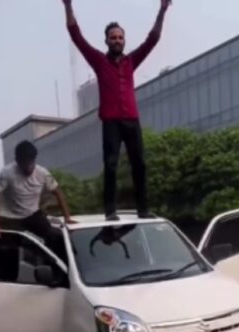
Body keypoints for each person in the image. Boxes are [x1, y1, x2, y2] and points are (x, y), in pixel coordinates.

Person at [62, 0, 171, 221]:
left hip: (132, 120)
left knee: (139, 163)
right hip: (111, 122)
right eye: (113, 37)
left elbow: (153, 40)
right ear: (107, 40)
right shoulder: (100, 61)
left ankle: (143, 208)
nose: (117, 40)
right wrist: (68, 6)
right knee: (110, 165)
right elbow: (76, 37)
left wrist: (162, 10)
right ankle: (110, 210)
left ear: (124, 40)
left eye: (120, 37)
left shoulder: (131, 61)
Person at [0, 141, 78, 253]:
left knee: (56, 237)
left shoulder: (43, 173)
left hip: (33, 215)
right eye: (24, 165)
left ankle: (64, 265)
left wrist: (67, 217)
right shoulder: (7, 173)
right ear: (17, 161)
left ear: (34, 160)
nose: (28, 169)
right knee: (21, 247)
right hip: (10, 219)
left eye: (30, 164)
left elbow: (58, 193)